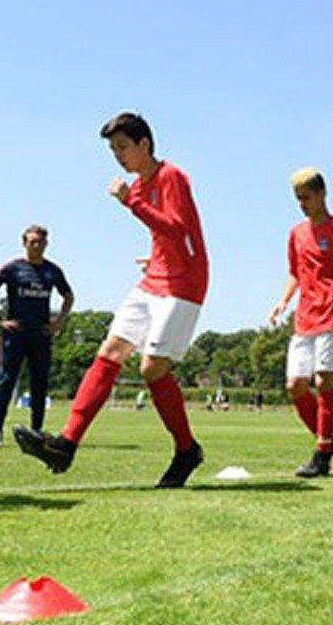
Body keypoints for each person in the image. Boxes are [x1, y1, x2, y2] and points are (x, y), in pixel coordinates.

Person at [15, 112, 207, 489]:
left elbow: (179, 231)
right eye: (113, 149)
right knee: (110, 350)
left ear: (144, 145)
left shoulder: (172, 177)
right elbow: (166, 236)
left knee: (152, 369)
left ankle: (187, 450)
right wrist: (155, 257)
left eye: (123, 147)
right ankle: (66, 445)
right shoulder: (141, 183)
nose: (118, 156)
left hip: (183, 283)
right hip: (155, 279)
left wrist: (130, 203)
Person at [267, 167, 333, 477]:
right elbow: (294, 273)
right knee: (295, 385)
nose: (302, 204)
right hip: (305, 316)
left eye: (307, 197)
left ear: (322, 194)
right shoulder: (296, 234)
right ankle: (326, 438)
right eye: (298, 199)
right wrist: (283, 301)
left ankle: (322, 451)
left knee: (323, 377)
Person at [0, 225, 73, 448]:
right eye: (32, 242)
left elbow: (68, 296)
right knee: (6, 381)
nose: (37, 246)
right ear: (24, 243)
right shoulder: (14, 268)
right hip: (15, 335)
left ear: (46, 244)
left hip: (41, 335)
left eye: (40, 242)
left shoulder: (52, 271)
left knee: (40, 383)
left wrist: (58, 322)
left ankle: (36, 432)